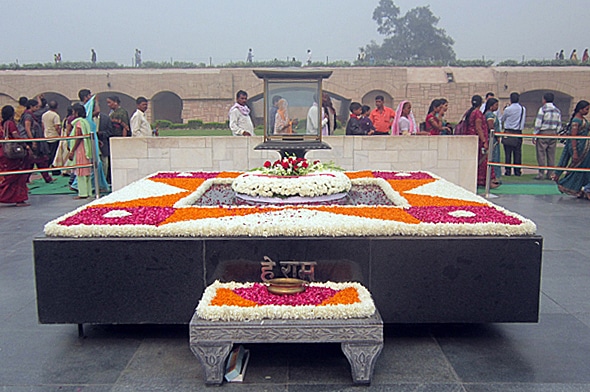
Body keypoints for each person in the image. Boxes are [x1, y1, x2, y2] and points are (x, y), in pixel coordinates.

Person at [552, 100, 590, 197]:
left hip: (584, 149)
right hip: (579, 149)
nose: (587, 111)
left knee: (583, 169)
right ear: (580, 109)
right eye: (586, 109)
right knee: (578, 169)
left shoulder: (583, 120)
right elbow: (573, 137)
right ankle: (565, 185)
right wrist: (575, 151)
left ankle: (583, 189)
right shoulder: (576, 121)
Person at [465, 95, 499, 188]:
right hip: (479, 140)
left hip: (473, 139)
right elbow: (478, 127)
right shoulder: (477, 113)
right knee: (484, 161)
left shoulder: (470, 112)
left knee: (479, 160)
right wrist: (484, 141)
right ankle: (486, 181)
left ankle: (481, 180)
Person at [0, 105, 31, 206]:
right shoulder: (10, 124)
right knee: (17, 176)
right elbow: (16, 136)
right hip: (12, 154)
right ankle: (19, 199)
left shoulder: (3, 124)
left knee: (8, 176)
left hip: (4, 153)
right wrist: (25, 145)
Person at [20, 99, 54, 183]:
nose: (38, 108)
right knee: (37, 161)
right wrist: (33, 141)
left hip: (35, 140)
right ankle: (46, 178)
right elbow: (27, 128)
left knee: (33, 162)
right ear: (31, 107)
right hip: (32, 141)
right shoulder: (28, 116)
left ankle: (27, 179)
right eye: (36, 107)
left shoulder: (31, 115)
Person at [533, 92, 561, 180]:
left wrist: (535, 135)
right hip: (553, 133)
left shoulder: (543, 109)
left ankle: (541, 173)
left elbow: (538, 123)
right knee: (551, 154)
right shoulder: (557, 110)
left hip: (544, 132)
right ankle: (550, 173)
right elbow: (559, 124)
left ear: (544, 100)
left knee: (541, 153)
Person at [68, 104, 93, 199]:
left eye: (74, 111)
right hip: (85, 148)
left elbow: (79, 137)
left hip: (80, 149)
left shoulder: (79, 123)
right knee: (86, 171)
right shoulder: (85, 122)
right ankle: (88, 191)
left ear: (77, 112)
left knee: (81, 171)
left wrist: (72, 151)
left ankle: (82, 193)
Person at [501, 92, 526, 176]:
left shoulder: (508, 109)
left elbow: (502, 119)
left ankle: (508, 171)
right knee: (517, 152)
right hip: (518, 132)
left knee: (508, 153)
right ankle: (517, 171)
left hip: (508, 131)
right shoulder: (522, 109)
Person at [484, 98, 502, 182]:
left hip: (493, 138)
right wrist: (496, 136)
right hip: (492, 139)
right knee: (493, 158)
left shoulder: (491, 114)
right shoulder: (490, 115)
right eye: (496, 105)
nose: (497, 107)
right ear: (491, 106)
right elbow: (491, 126)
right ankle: (494, 178)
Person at [41, 100, 61, 174]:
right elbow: (57, 127)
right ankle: (55, 169)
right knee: (55, 154)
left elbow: (43, 126)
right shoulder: (55, 116)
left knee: (49, 154)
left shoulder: (44, 115)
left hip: (46, 136)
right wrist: (60, 135)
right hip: (54, 136)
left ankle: (46, 168)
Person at [95, 112, 113, 183]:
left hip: (103, 144)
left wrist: (101, 134)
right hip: (92, 145)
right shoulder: (88, 118)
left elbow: (110, 132)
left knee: (104, 164)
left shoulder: (105, 118)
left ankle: (103, 182)